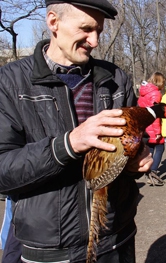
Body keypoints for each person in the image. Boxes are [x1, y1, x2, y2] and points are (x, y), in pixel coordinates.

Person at [0, 1, 153, 262]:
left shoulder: (116, 79)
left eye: (99, 31)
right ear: (53, 22)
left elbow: (138, 138)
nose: (94, 41)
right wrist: (67, 145)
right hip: (51, 250)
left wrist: (138, 156)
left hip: (116, 237)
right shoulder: (10, 81)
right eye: (86, 29)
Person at [137, 72, 166, 186]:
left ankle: (147, 169)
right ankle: (153, 171)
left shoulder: (143, 93)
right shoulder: (155, 94)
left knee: (149, 150)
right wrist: (158, 132)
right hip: (153, 127)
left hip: (144, 126)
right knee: (159, 148)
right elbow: (156, 114)